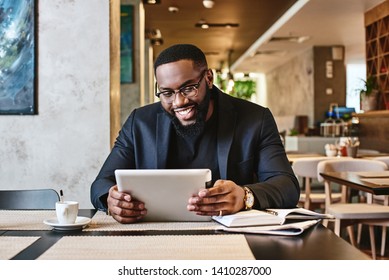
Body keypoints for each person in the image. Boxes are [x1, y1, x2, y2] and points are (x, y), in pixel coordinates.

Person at [91, 44, 300, 223]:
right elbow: (100, 184)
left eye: (188, 88)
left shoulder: (255, 119)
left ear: (208, 78)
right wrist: (111, 200)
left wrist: (245, 196)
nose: (179, 102)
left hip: (231, 238)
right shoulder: (140, 122)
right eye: (167, 93)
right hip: (155, 236)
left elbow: (286, 185)